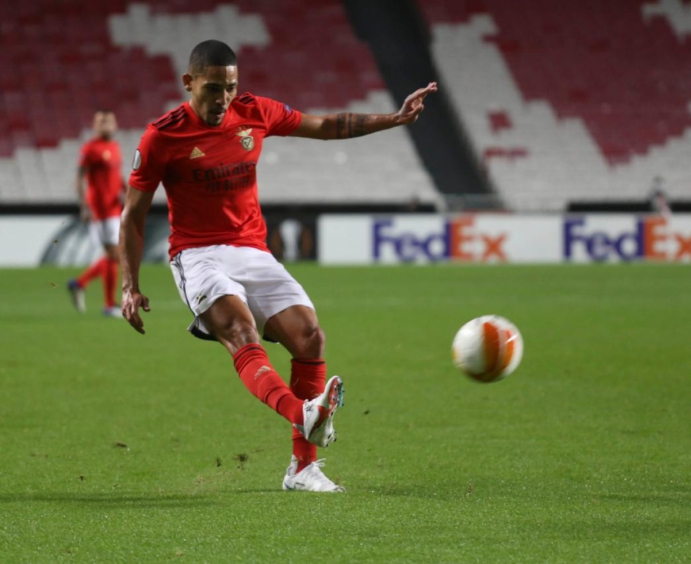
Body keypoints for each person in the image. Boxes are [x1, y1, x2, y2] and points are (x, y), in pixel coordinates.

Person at [120, 39, 437, 492]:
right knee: (241, 331)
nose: (222, 98)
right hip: (197, 253)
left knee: (310, 336)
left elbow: (326, 125)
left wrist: (396, 118)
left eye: (229, 87)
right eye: (212, 88)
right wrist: (130, 285)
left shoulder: (255, 112)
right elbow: (132, 215)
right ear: (188, 83)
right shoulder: (162, 136)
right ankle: (302, 413)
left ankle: (303, 468)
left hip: (252, 249)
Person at [67, 110, 125, 316]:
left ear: (115, 124)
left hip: (114, 210)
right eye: (101, 121)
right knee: (114, 255)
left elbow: (116, 177)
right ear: (94, 125)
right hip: (99, 212)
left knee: (114, 257)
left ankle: (79, 283)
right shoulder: (90, 149)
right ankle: (109, 305)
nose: (106, 125)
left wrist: (126, 192)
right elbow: (80, 179)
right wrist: (84, 206)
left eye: (109, 120)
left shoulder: (115, 147)